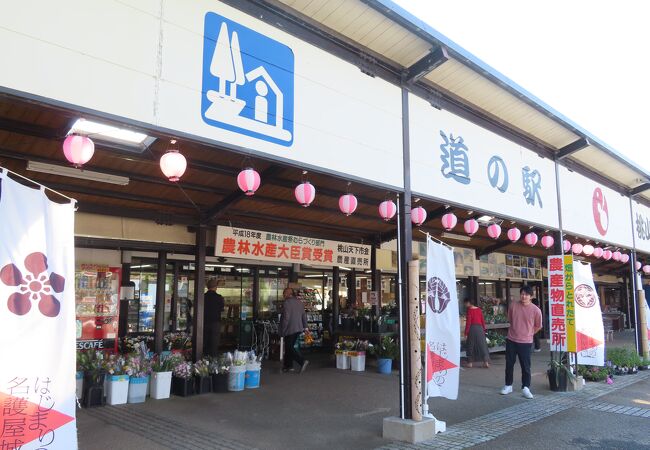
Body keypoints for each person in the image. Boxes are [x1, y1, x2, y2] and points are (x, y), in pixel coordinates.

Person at [500, 285, 542, 399]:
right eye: (522, 294)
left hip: (526, 341)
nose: (524, 296)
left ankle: (526, 387)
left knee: (525, 366)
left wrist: (529, 333)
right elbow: (510, 319)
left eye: (527, 295)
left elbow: (538, 326)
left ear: (531, 296)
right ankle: (508, 385)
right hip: (511, 339)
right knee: (509, 364)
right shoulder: (513, 305)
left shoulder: (536, 310)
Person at [279, 287, 309, 373]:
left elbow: (286, 318)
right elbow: (304, 316)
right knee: (289, 347)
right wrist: (305, 327)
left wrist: (283, 330)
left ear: (289, 294)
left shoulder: (287, 303)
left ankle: (302, 361)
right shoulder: (299, 302)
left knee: (289, 347)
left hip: (290, 328)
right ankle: (288, 366)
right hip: (298, 328)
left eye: (284, 293)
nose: (283, 295)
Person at [463, 299, 490, 368]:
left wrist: (466, 333)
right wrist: (484, 330)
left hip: (472, 328)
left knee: (470, 345)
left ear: (469, 303)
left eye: (465, 303)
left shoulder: (469, 310)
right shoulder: (479, 310)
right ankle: (486, 362)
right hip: (480, 328)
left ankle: (470, 363)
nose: (465, 305)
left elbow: (468, 323)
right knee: (482, 345)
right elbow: (482, 320)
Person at [203, 278, 225, 357]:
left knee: (205, 341)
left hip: (204, 322)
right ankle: (213, 359)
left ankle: (204, 359)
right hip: (215, 323)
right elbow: (222, 309)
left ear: (207, 287)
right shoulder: (219, 297)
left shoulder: (203, 297)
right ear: (216, 287)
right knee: (214, 343)